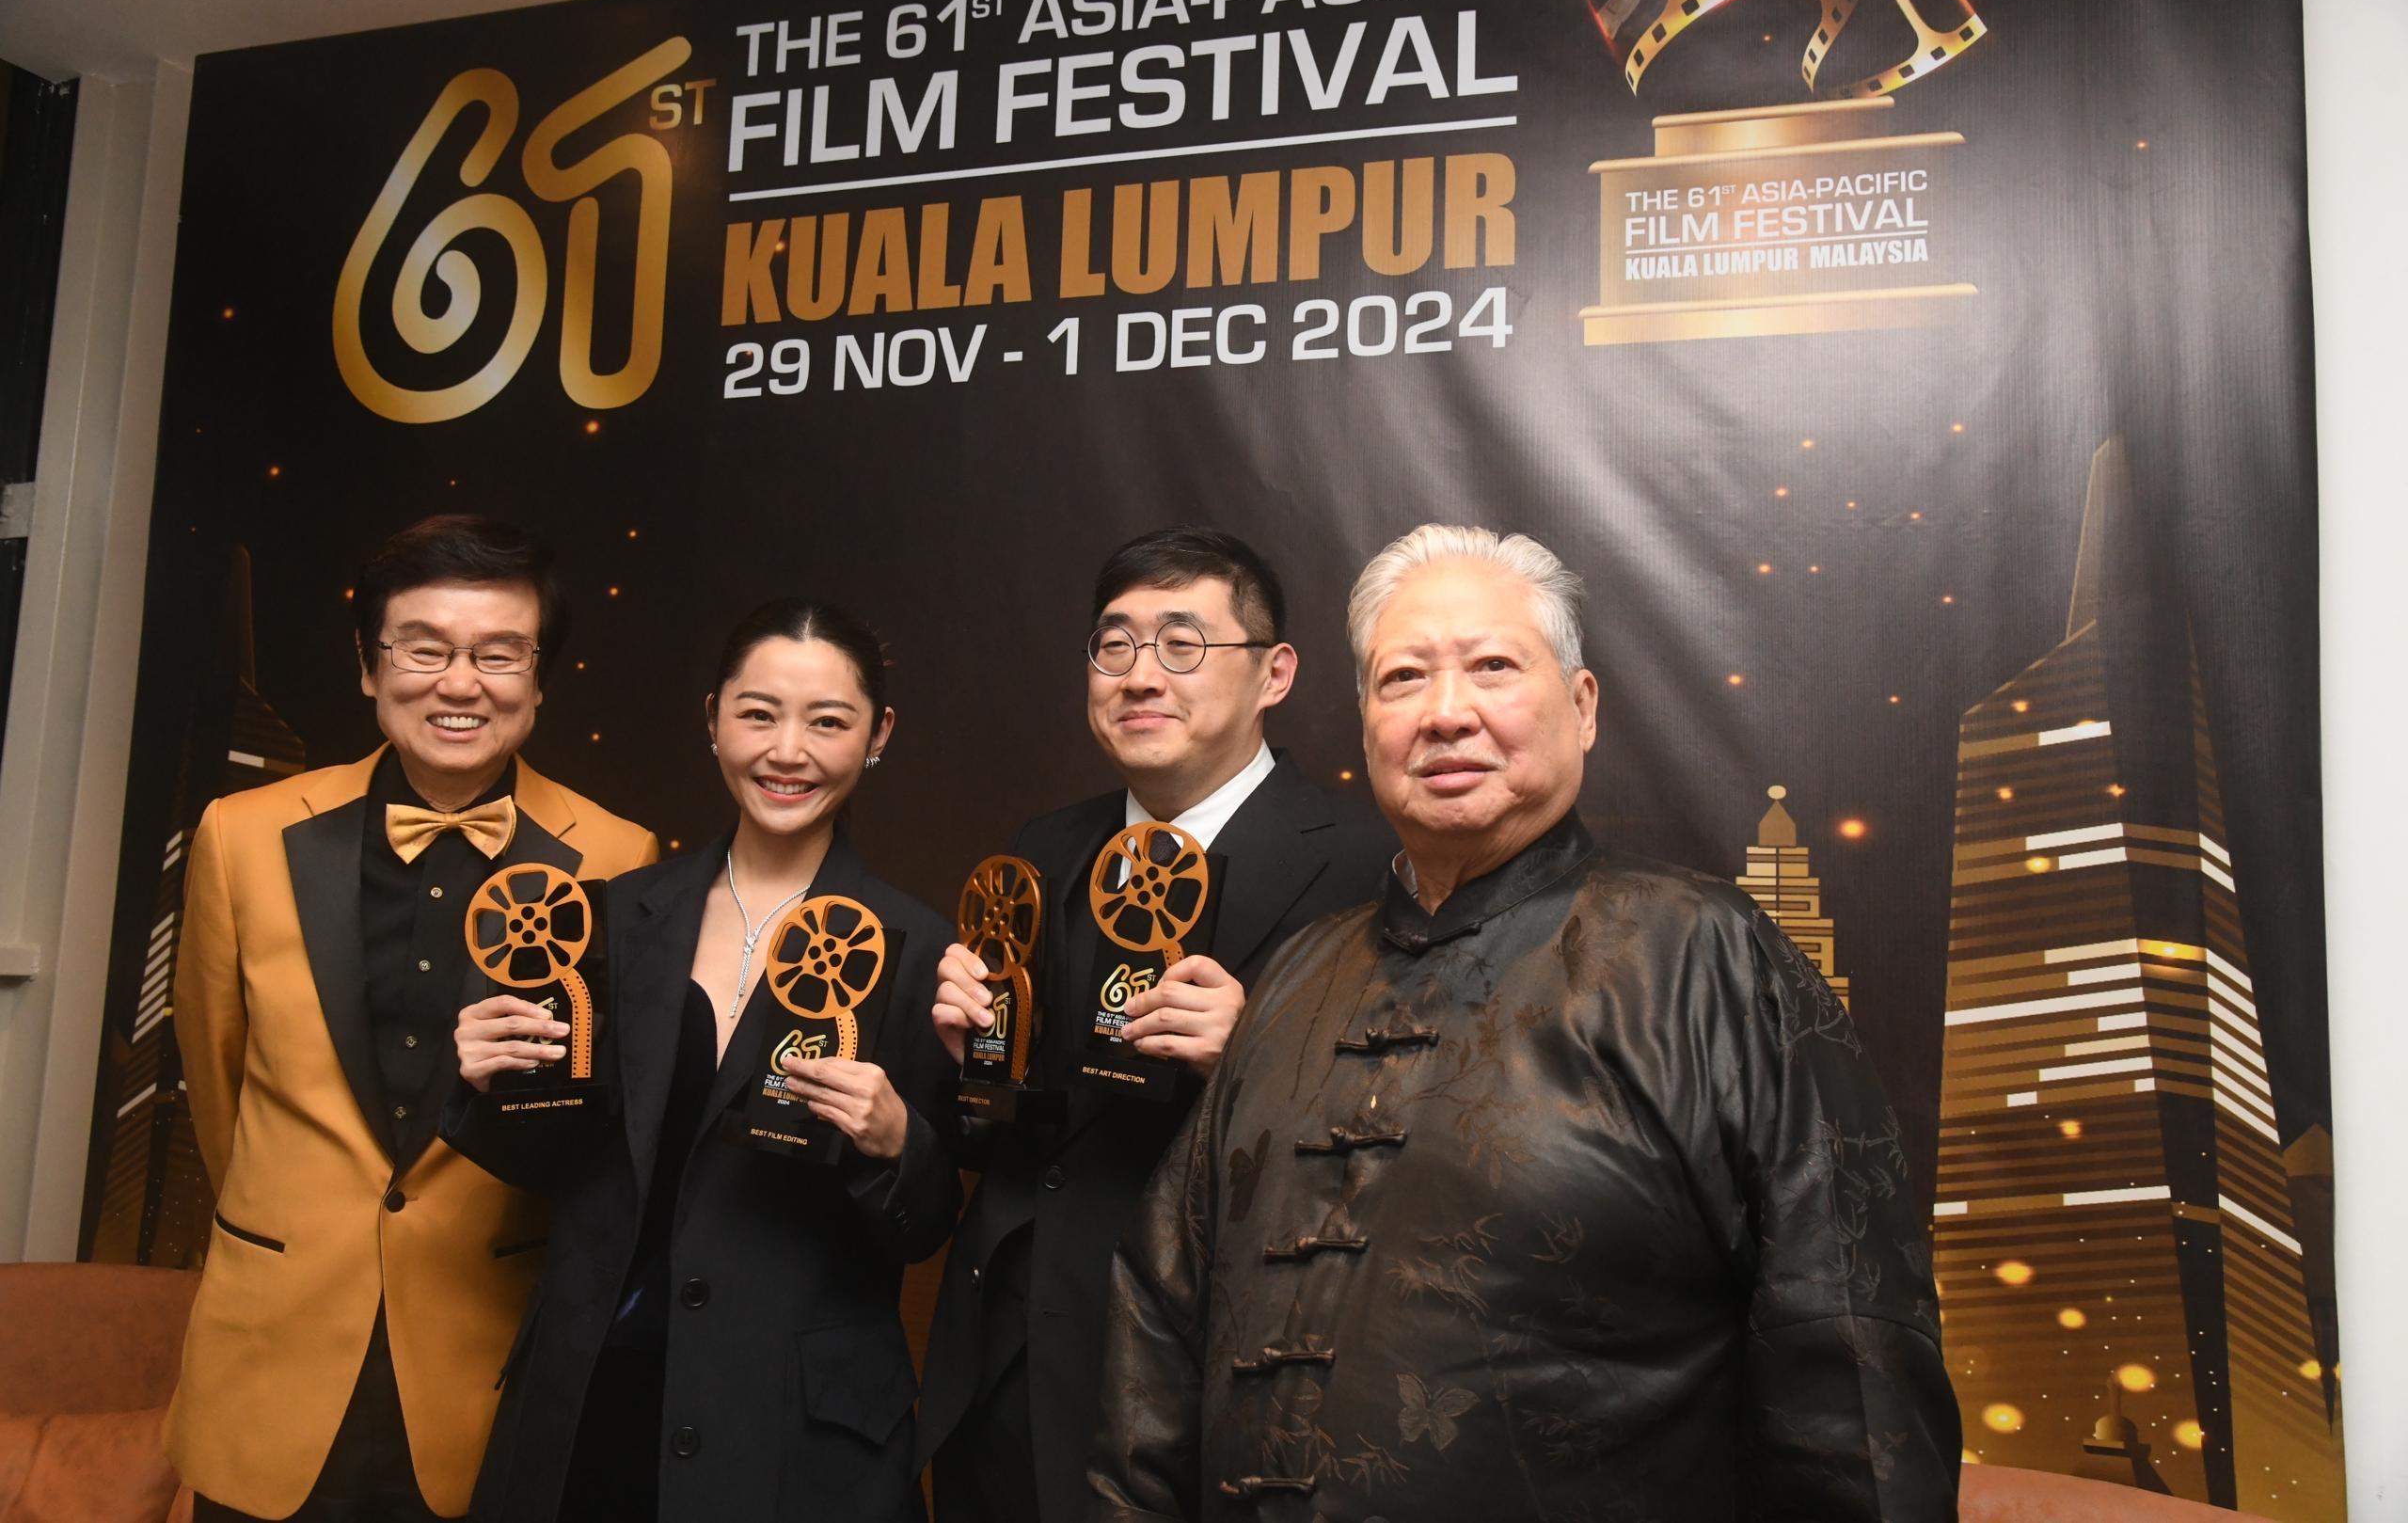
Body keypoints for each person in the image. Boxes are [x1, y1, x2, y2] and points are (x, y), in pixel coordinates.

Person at [1092, 524, 1961, 1522]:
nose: (1445, 713)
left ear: (1582, 707)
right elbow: (1156, 1325)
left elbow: (1852, 1367)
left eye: (1493, 667)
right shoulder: (1293, 978)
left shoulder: (1705, 957)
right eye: (1402, 678)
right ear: (1366, 723)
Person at [166, 516, 658, 1522]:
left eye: (499, 654)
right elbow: (216, 1081)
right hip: (272, 1347)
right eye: (424, 649)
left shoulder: (616, 855)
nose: (460, 683)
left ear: (538, 680)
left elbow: (603, 1125)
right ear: (368, 665)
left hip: (485, 1361)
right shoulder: (242, 836)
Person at [917, 528, 1394, 1523]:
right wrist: (978, 1062)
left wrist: (1255, 1058)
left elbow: (1418, 1147)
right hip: (1007, 1375)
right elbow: (997, 1136)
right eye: (1114, 645)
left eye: (1183, 644)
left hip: (1215, 1384)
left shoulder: (1367, 863)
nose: (1140, 676)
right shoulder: (1046, 848)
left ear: (1274, 674)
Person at [445, 599, 958, 1521]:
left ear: (878, 735)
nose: (788, 751)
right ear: (713, 717)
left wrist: (894, 1139)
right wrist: (491, 1081)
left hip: (794, 1432)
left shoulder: (921, 949)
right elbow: (557, 1158)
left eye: (827, 721)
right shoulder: (614, 915)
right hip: (593, 1397)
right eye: (759, 713)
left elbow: (927, 1222)